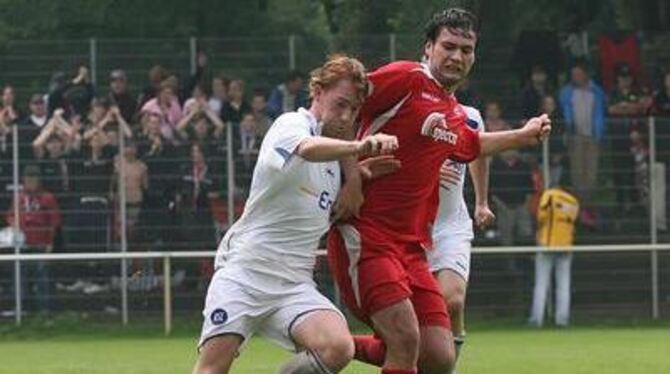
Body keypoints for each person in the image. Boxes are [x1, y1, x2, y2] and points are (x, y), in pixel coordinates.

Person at [328, 8, 551, 373]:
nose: (457, 57)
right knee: (404, 339)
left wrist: (523, 136)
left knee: (439, 356)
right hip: (366, 236)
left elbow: (472, 145)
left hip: (411, 249)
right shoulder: (406, 78)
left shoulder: (451, 110)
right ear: (428, 48)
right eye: (448, 46)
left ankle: (329, 348)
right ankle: (328, 346)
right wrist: (352, 179)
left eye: (466, 50)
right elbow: (338, 107)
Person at [193, 55, 400, 374]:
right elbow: (306, 149)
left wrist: (357, 177)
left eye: (354, 110)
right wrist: (360, 147)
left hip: (293, 284)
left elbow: (311, 212)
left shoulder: (335, 164)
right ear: (317, 92)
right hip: (246, 273)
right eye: (340, 104)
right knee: (212, 369)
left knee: (339, 346)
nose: (346, 117)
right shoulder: (291, 124)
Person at [428, 105, 494, 370]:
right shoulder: (407, 110)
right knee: (410, 318)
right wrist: (427, 169)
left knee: (452, 300)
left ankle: (448, 368)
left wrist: (481, 202)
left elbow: (478, 153)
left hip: (450, 225)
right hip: (408, 227)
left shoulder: (470, 117)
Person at [6, 165, 61, 312]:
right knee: (20, 278)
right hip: (22, 245)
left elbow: (54, 221)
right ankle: (20, 308)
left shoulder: (47, 198)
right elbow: (11, 215)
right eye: (28, 178)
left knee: (42, 278)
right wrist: (14, 224)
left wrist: (50, 242)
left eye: (33, 178)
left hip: (41, 243)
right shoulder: (19, 197)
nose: (30, 181)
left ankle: (45, 309)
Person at [529, 187, 580, 327]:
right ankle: (562, 320)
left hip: (547, 243)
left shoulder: (549, 195)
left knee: (541, 284)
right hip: (565, 245)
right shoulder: (573, 202)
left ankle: (536, 320)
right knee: (564, 285)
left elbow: (541, 216)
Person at [559, 61, 606, 202]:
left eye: (578, 74)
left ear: (585, 75)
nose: (575, 77)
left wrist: (599, 133)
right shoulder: (566, 92)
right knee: (577, 172)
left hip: (592, 136)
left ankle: (588, 202)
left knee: (591, 171)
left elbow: (601, 113)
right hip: (576, 136)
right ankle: (579, 202)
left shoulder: (596, 92)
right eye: (573, 74)